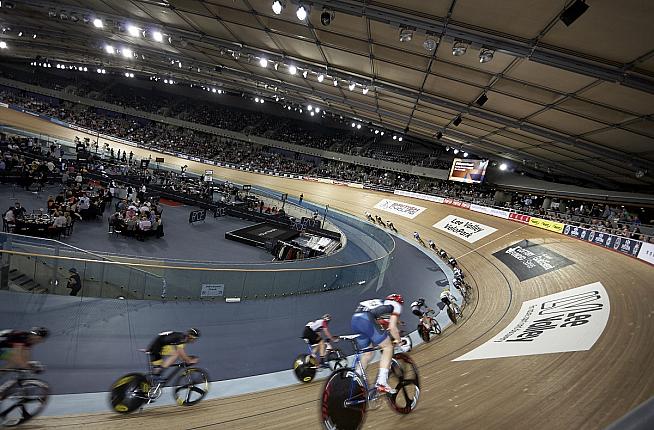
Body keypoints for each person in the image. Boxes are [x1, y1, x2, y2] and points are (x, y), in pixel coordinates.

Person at [351, 294, 403, 394]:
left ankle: (355, 379)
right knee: (388, 347)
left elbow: (379, 323)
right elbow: (392, 328)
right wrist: (399, 341)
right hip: (366, 318)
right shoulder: (396, 305)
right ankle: (382, 382)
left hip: (355, 319)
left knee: (368, 353)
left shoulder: (381, 303)